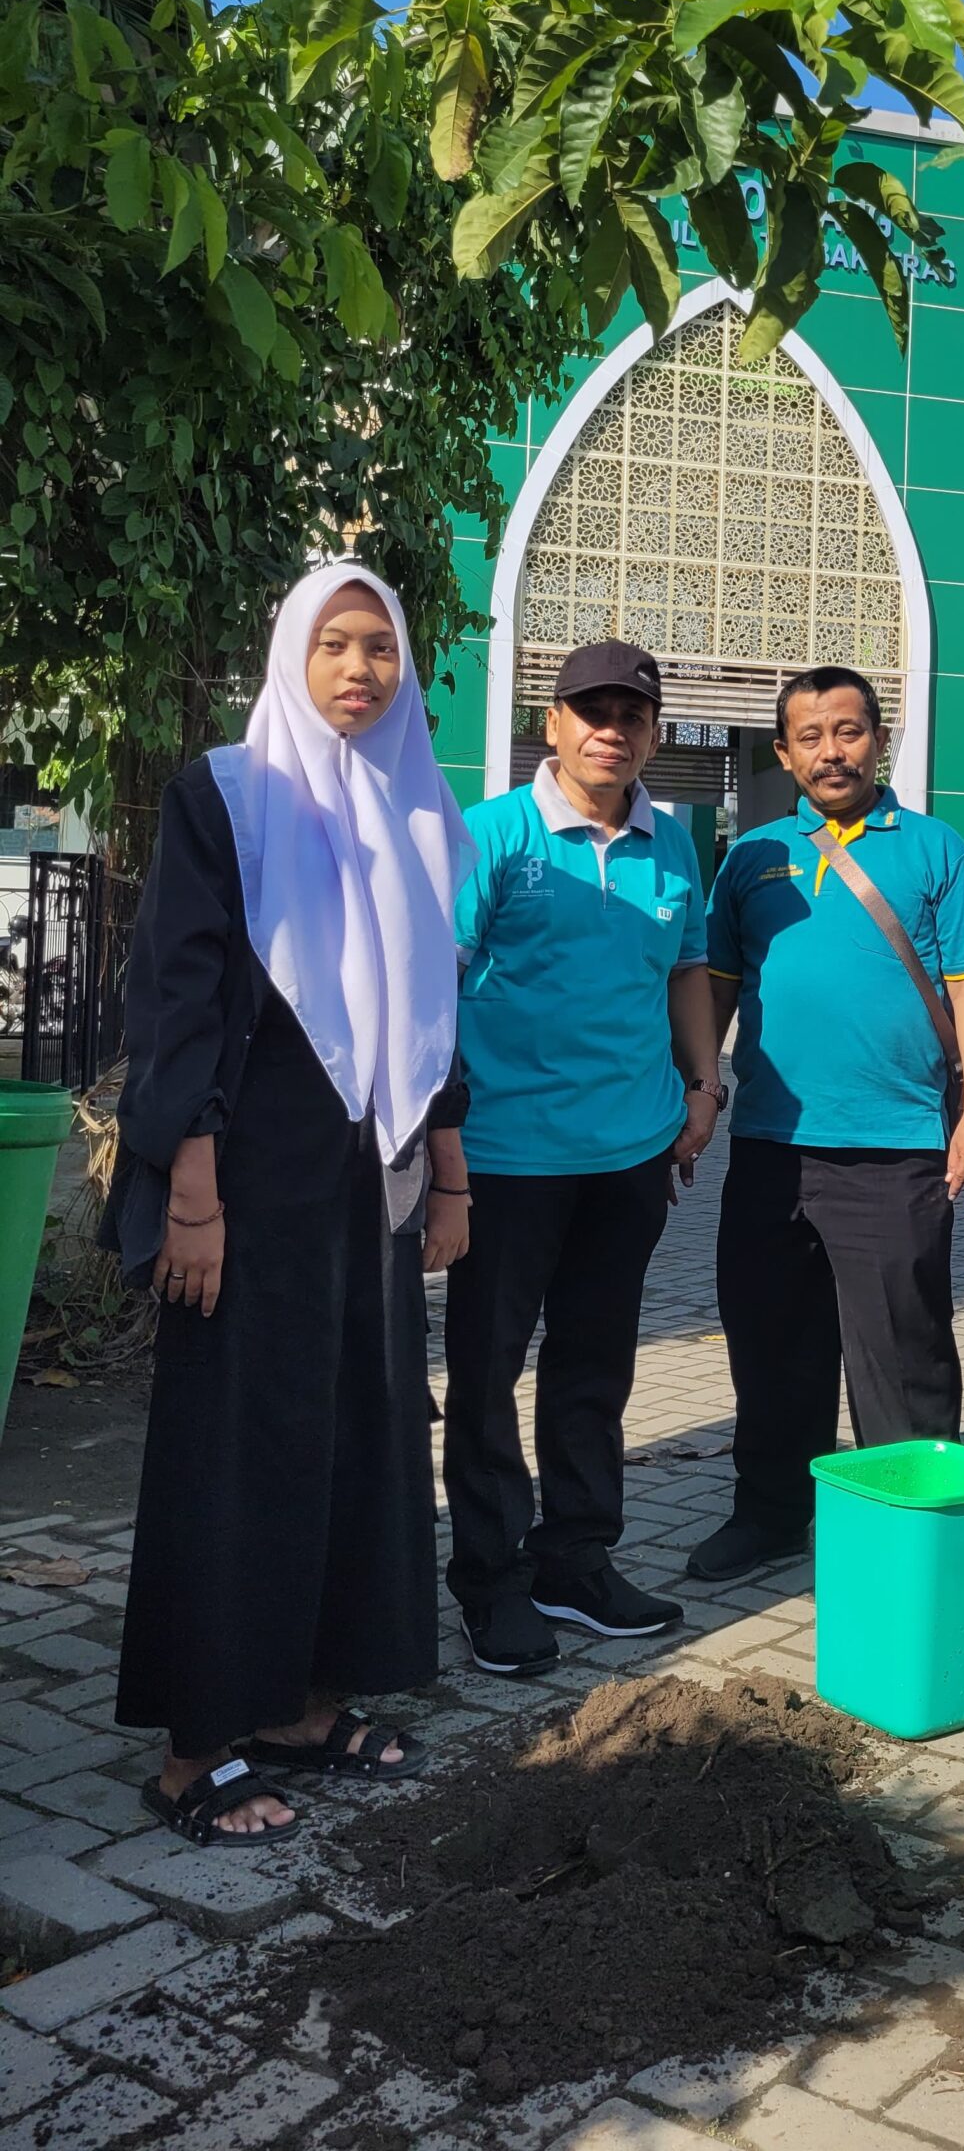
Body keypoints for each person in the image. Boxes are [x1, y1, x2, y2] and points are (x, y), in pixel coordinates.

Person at [109, 565, 473, 1846]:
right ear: (291, 657)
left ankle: (307, 1709)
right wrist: (191, 1190)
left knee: (359, 1434)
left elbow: (436, 1011)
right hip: (248, 1176)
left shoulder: (425, 810)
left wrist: (451, 1174)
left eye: (381, 646)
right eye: (335, 645)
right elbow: (178, 994)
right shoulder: (232, 792)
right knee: (238, 1446)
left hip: (369, 1177)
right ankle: (195, 1745)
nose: (361, 670)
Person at [441, 642, 721, 1675]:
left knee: (594, 1371)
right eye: (590, 708)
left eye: (632, 712)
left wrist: (703, 1089)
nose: (613, 726)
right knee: (485, 1372)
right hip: (507, 1158)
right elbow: (439, 993)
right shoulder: (492, 839)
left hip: (631, 1157)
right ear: (550, 723)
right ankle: (489, 1578)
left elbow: (689, 968)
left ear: (654, 731)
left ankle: (575, 1559)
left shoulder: (673, 846)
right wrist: (444, 1148)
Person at [692, 666, 964, 1584]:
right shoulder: (750, 857)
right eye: (811, 737)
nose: (832, 751)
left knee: (900, 1355)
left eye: (849, 730)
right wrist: (702, 1091)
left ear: (880, 738)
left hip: (898, 1149)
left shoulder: (935, 848)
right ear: (783, 754)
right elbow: (712, 986)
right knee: (771, 1345)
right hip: (770, 1149)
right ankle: (773, 1515)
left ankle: (907, 1541)